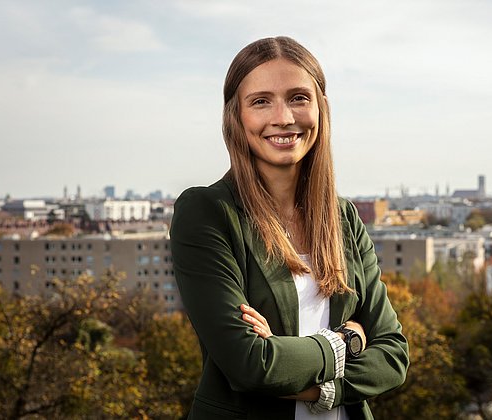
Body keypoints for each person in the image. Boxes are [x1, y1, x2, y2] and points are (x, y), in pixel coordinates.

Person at [170, 36, 409, 420]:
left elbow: (394, 356)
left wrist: (314, 387)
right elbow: (251, 365)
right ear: (235, 116)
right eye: (261, 101)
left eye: (298, 97)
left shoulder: (342, 217)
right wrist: (348, 340)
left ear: (321, 109)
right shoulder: (207, 213)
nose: (283, 117)